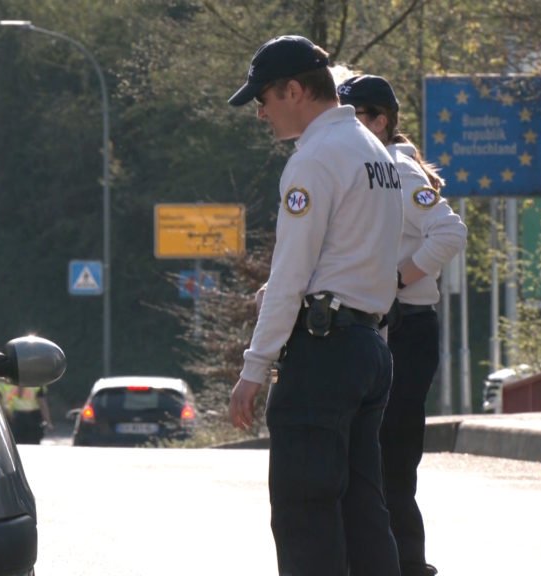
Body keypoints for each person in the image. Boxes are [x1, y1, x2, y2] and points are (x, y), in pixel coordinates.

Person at [226, 35, 403, 576]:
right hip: (368, 345)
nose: (260, 112)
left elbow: (290, 273)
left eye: (264, 98)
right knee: (363, 512)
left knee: (306, 514)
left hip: (323, 354)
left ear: (296, 90)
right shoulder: (375, 151)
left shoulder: (315, 160)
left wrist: (254, 368)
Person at [338, 74, 468, 576]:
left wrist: (393, 280)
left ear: (380, 120)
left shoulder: (396, 167)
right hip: (389, 327)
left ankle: (404, 561)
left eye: (356, 119)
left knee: (391, 452)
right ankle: (386, 558)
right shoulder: (374, 165)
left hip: (406, 326)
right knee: (377, 451)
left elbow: (449, 231)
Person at [0, 377, 53, 444]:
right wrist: (48, 421)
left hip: (15, 419)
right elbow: (42, 404)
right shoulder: (36, 383)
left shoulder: (0, 384)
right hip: (29, 419)